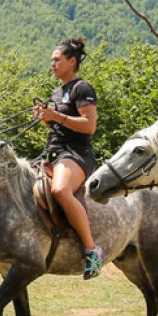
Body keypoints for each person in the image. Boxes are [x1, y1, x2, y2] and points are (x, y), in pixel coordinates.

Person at [33, 37, 103, 279]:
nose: (52, 64)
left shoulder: (81, 88)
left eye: (57, 60)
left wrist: (56, 116)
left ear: (71, 62)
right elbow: (58, 127)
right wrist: (46, 119)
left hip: (76, 154)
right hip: (53, 151)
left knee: (60, 191)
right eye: (51, 60)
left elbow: (89, 126)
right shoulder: (57, 91)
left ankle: (92, 250)